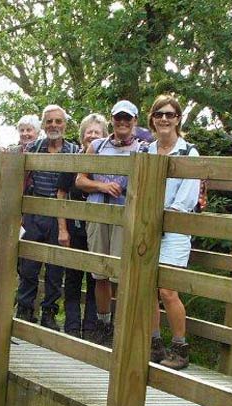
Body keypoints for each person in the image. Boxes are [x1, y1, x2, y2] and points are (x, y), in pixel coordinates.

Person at [75, 100, 149, 346]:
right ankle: (103, 325)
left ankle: (122, 326)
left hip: (125, 215)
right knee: (100, 273)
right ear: (112, 120)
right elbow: (80, 180)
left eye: (128, 118)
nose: (123, 122)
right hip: (97, 212)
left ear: (135, 121)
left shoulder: (143, 149)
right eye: (119, 118)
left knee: (121, 273)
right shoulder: (97, 146)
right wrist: (102, 185)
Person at [147, 95, 200, 370]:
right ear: (152, 119)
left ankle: (180, 348)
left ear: (178, 118)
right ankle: (154, 344)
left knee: (168, 290)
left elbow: (187, 198)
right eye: (159, 114)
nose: (164, 119)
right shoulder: (146, 151)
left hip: (175, 230)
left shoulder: (188, 152)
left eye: (170, 114)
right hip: (148, 228)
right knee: (147, 289)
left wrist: (164, 218)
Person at [16, 105, 78, 330]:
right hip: (35, 210)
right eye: (49, 122)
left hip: (60, 214)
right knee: (29, 265)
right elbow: (19, 176)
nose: (54, 126)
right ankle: (24, 309)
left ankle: (49, 313)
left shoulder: (73, 151)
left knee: (55, 268)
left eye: (58, 121)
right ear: (43, 125)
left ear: (65, 125)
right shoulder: (34, 147)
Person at [56, 113, 108, 339]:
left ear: (104, 136)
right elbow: (61, 194)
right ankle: (72, 326)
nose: (92, 136)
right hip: (75, 229)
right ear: (82, 135)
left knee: (97, 278)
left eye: (97, 132)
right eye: (89, 132)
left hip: (100, 228)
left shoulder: (108, 162)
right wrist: (62, 229)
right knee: (73, 277)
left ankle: (91, 328)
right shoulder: (74, 160)